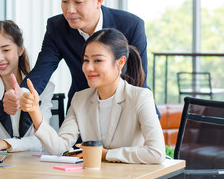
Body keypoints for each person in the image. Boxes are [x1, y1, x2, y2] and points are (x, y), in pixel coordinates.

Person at [3, 0, 159, 118]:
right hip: (82, 115)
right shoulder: (57, 28)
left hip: (130, 112)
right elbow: (42, 71)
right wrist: (21, 93)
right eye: (64, 1)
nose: (69, 10)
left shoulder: (131, 25)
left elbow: (138, 79)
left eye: (78, 2)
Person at [20, 28, 165, 164]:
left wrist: (104, 154)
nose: (88, 68)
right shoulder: (79, 99)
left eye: (97, 60)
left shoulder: (140, 97)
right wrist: (35, 112)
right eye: (86, 60)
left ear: (120, 62)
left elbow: (156, 152)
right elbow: (59, 147)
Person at [0, 20, 54, 154]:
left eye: (6, 50)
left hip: (30, 166)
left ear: (20, 50)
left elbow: (41, 140)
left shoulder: (43, 88)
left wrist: (4, 144)